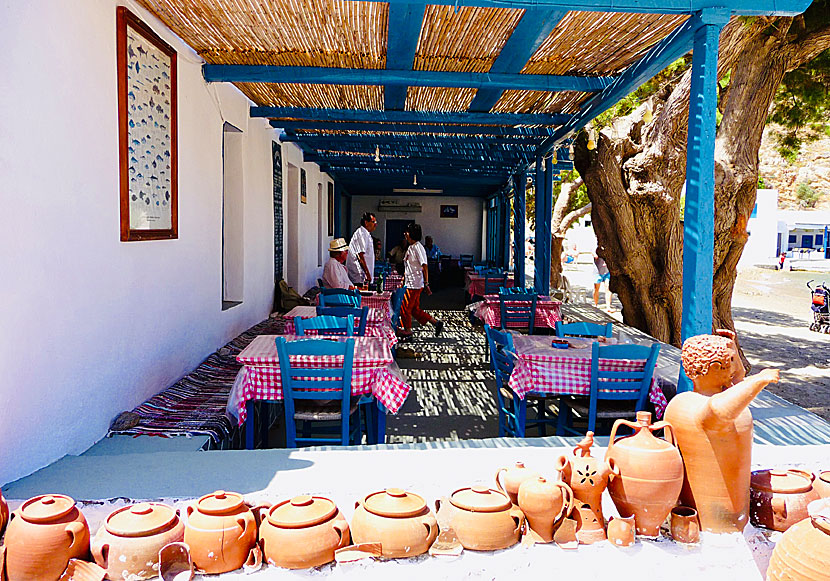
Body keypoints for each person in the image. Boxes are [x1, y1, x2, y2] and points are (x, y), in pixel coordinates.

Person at [399, 223, 443, 336]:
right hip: (409, 282)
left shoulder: (418, 248)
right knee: (414, 309)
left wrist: (426, 283)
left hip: (414, 284)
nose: (405, 234)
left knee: (405, 308)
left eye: (407, 232)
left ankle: (407, 331)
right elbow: (408, 266)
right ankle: (436, 323)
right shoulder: (411, 247)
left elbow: (424, 266)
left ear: (412, 234)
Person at [346, 212, 377, 287]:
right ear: (366, 223)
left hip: (363, 276)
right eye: (373, 222)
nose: (375, 224)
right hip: (359, 276)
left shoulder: (366, 233)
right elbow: (360, 256)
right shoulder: (362, 234)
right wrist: (367, 274)